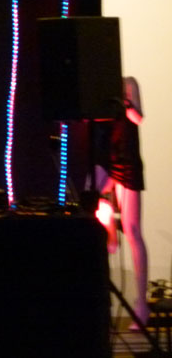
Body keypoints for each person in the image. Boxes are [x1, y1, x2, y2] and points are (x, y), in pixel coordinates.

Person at [92, 76, 149, 330]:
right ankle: (111, 235)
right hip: (107, 159)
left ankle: (142, 305)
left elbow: (138, 118)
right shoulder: (96, 88)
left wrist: (125, 103)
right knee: (93, 199)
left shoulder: (128, 84)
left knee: (133, 229)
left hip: (126, 161)